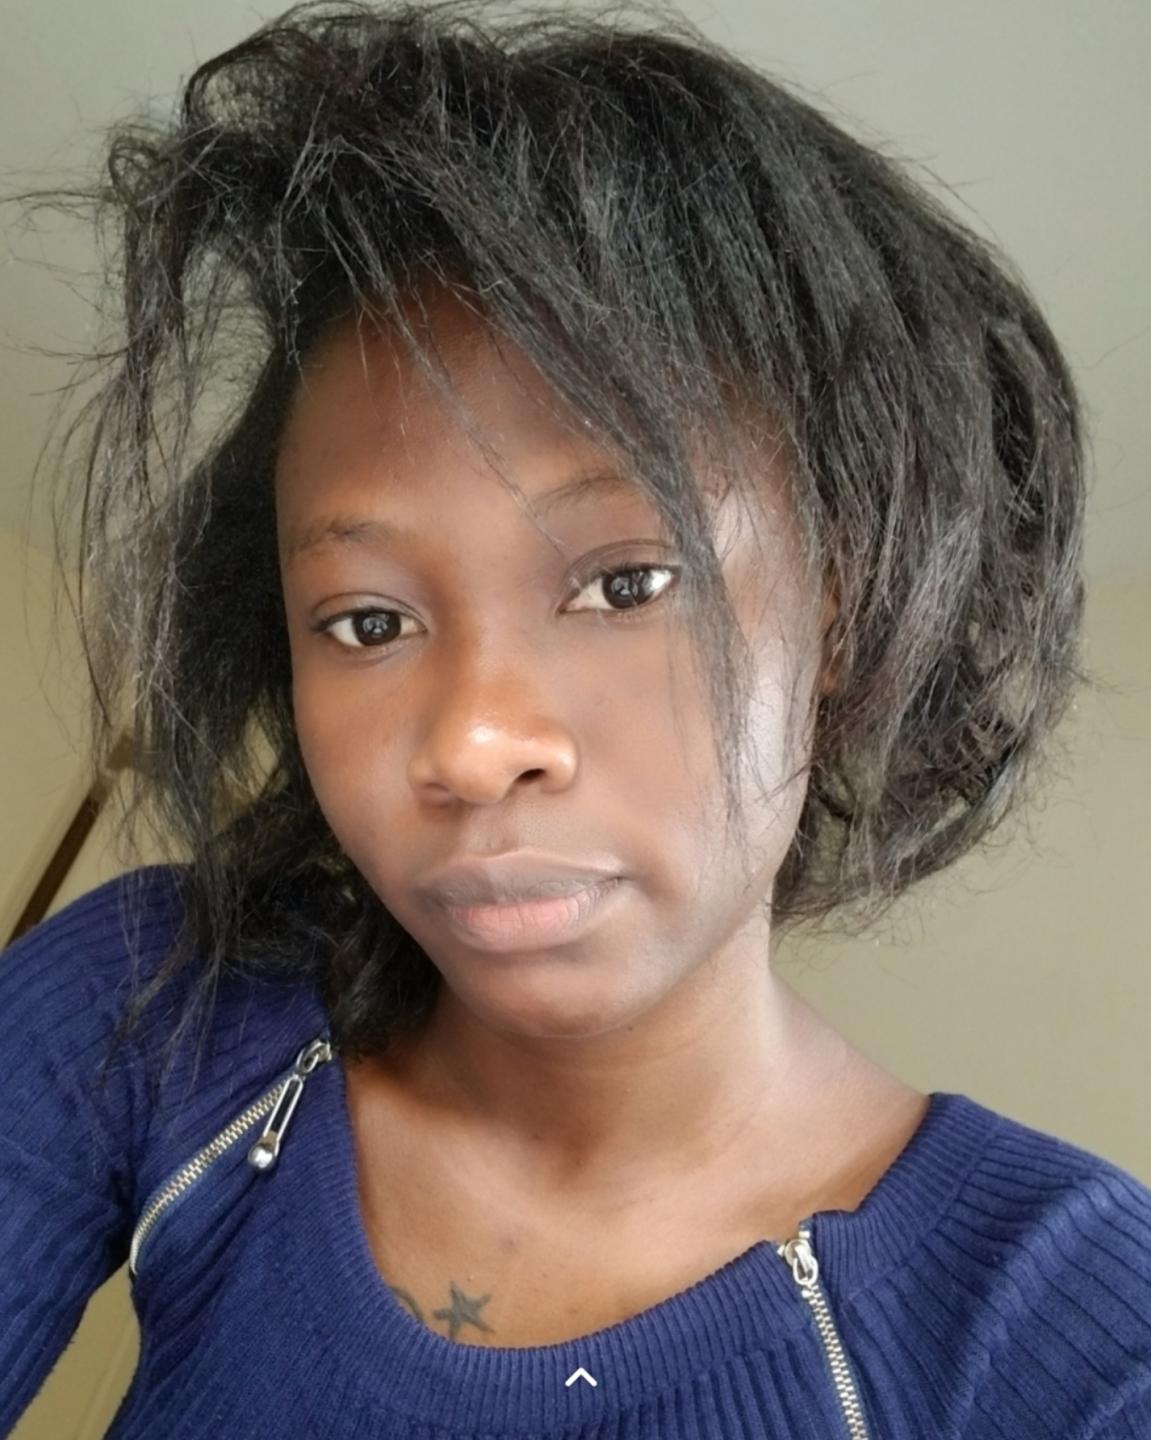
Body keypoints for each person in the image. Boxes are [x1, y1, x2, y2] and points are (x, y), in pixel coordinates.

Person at [2, 1, 1148, 1436]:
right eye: (367, 622)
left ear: (840, 611)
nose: (472, 746)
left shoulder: (1058, 1320)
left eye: (626, 582)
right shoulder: (159, 1005)